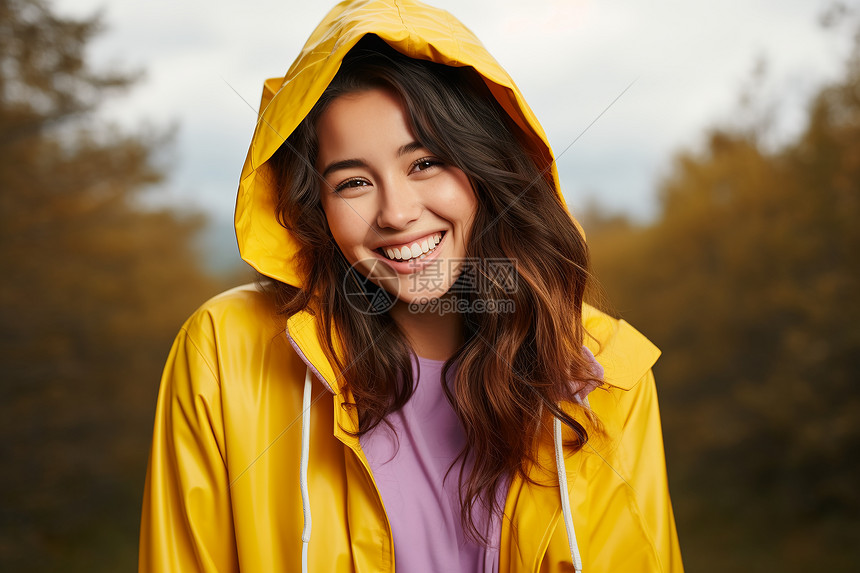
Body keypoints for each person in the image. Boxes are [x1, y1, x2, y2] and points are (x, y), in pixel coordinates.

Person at [138, 0, 684, 571]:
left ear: (486, 168)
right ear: (314, 205)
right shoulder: (224, 352)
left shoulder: (604, 374)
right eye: (352, 182)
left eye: (424, 163)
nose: (396, 213)